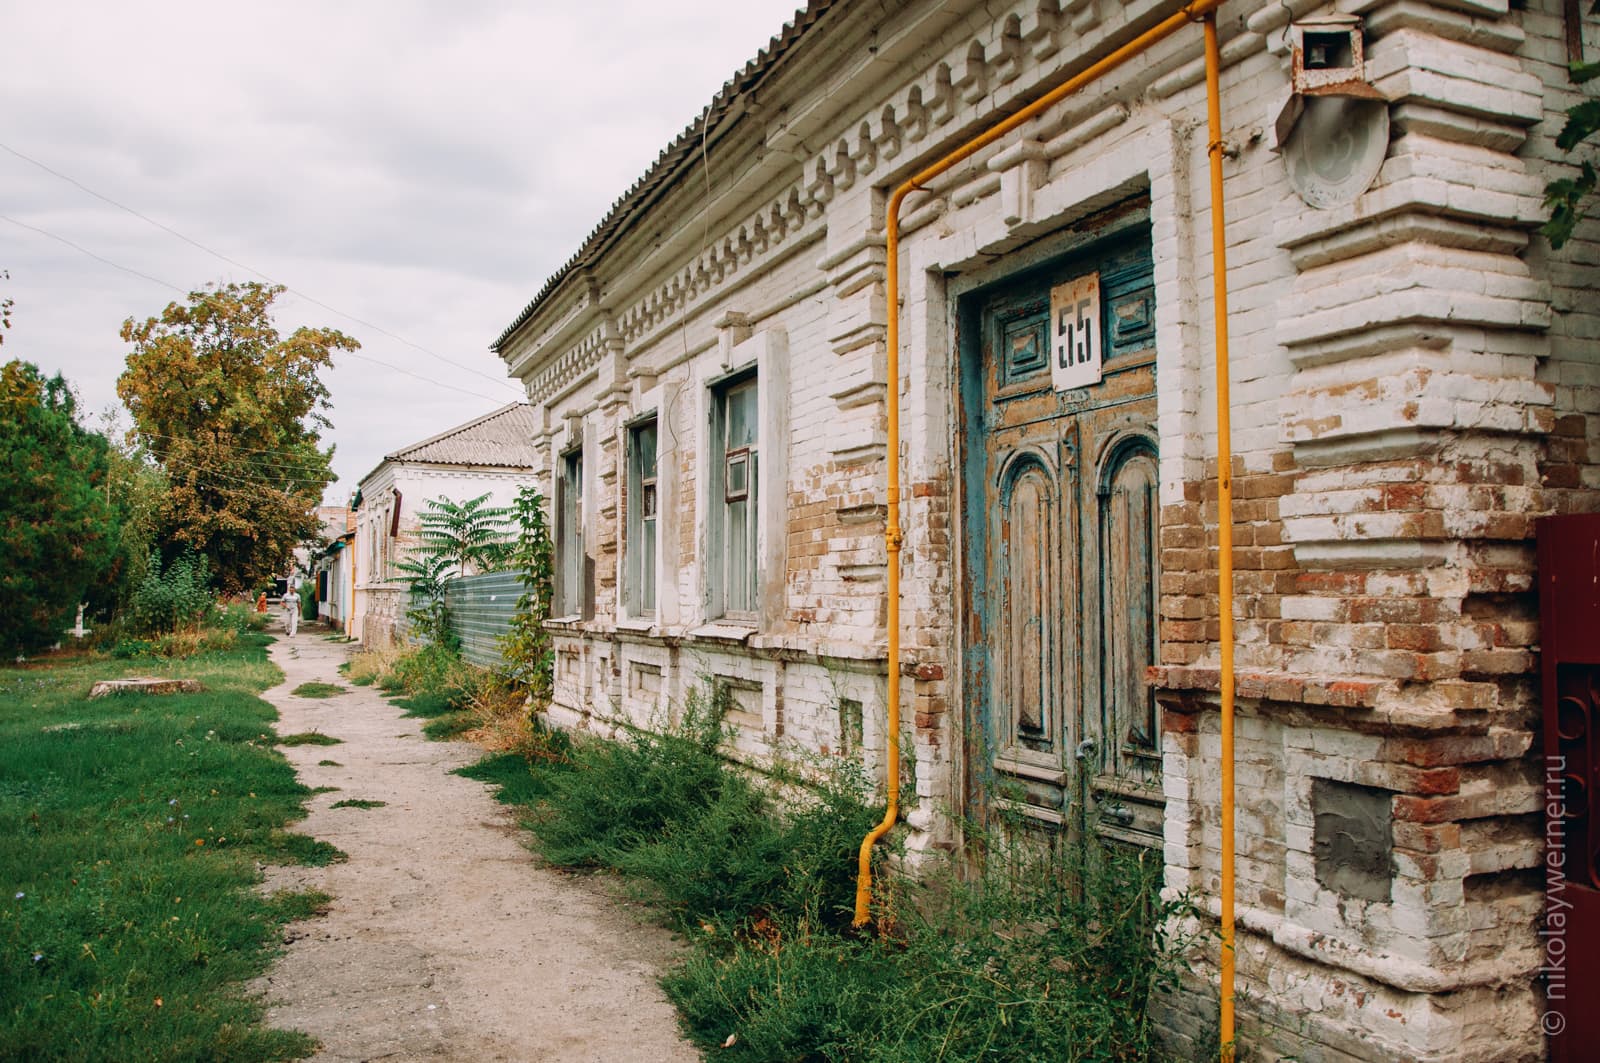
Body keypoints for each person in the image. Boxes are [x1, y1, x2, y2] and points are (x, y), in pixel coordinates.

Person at [283, 571, 301, 637]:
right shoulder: (286, 595)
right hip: (287, 609)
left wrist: (299, 611)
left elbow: (299, 603)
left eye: (292, 589)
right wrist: (285, 606)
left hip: (294, 609)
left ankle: (293, 633)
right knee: (287, 622)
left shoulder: (297, 595)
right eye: (290, 589)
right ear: (289, 589)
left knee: (294, 622)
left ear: (294, 590)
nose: (291, 590)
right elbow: (282, 602)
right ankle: (288, 630)